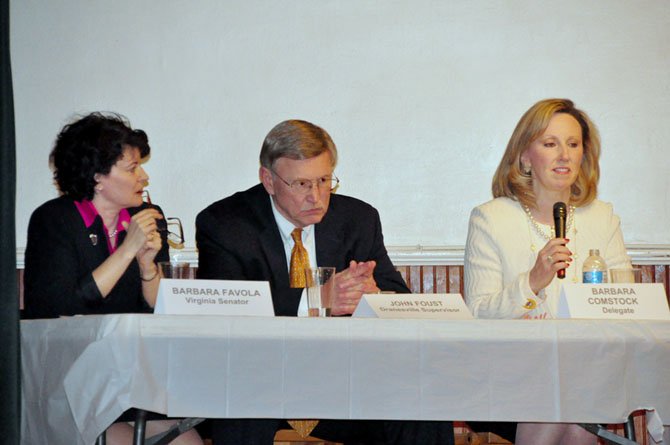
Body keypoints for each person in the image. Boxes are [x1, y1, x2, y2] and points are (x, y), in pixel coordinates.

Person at [196, 119, 454, 444]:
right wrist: (318, 298)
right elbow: (226, 306)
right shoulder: (225, 223)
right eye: (301, 184)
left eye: (324, 180)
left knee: (422, 401)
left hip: (341, 378)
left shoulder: (358, 219)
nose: (316, 197)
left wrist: (374, 297)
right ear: (269, 180)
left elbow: (396, 296)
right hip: (260, 377)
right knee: (239, 403)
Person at [23, 113, 203, 445]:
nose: (144, 177)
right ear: (97, 177)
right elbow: (62, 308)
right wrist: (126, 251)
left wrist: (148, 266)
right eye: (132, 168)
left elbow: (159, 310)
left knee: (186, 439)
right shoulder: (54, 220)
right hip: (70, 382)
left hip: (132, 377)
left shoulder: (146, 218)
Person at [464, 98, 631, 445]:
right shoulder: (491, 218)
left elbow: (624, 302)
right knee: (560, 403)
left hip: (588, 364)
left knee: (572, 397)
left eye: (573, 144)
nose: (564, 155)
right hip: (512, 367)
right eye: (550, 144)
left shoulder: (602, 218)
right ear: (525, 155)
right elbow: (479, 311)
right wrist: (531, 282)